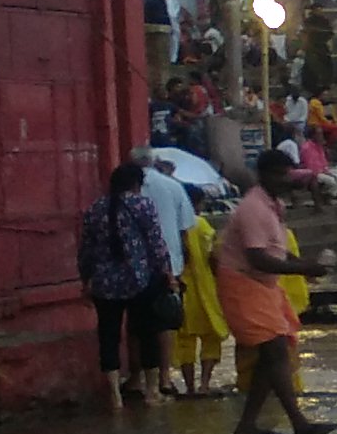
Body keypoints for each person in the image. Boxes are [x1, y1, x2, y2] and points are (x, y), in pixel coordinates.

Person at [215, 149, 335, 434]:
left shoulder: (273, 205)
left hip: (262, 286)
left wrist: (302, 264)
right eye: (280, 174)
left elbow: (275, 249)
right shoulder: (252, 209)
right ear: (264, 175)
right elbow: (258, 258)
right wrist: (301, 268)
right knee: (276, 351)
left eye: (287, 173)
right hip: (244, 283)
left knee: (270, 358)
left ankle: (247, 426)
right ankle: (300, 426)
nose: (285, 180)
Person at [77, 161, 174, 408]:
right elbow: (156, 243)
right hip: (139, 279)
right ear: (136, 184)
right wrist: (167, 272)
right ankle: (152, 392)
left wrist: (85, 279)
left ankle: (115, 397)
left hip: (104, 283)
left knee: (108, 336)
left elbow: (85, 250)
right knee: (147, 332)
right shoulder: (143, 205)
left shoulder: (94, 209)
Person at [131, 148, 198, 399]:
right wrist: (184, 260)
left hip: (134, 267)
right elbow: (185, 229)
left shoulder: (125, 192)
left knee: (136, 324)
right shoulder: (172, 186)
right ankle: (164, 378)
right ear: (155, 162)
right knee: (165, 322)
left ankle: (137, 378)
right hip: (169, 264)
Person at [172, 203, 227, 397]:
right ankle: (204, 384)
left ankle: (189, 387)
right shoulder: (201, 224)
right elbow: (215, 257)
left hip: (181, 291)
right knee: (211, 337)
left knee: (184, 340)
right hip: (205, 291)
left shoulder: (171, 226)